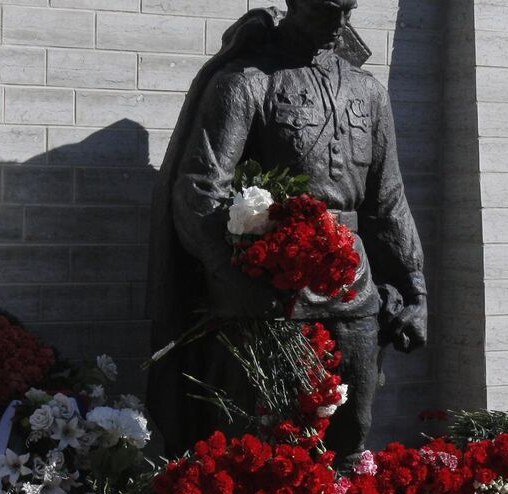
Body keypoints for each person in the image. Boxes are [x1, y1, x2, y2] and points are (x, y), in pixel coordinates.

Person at [147, 0, 429, 458]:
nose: (338, 24)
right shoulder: (246, 82)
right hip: (271, 292)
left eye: (347, 11)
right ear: (295, 4)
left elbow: (387, 201)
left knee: (351, 430)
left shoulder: (369, 93)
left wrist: (414, 292)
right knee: (266, 439)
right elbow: (200, 189)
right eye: (325, 10)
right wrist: (232, 275)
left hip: (353, 289)